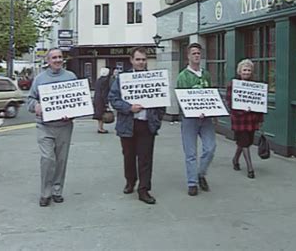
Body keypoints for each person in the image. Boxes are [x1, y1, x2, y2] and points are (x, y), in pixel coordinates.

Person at [108, 47, 166, 205]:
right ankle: (130, 181)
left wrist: (158, 120)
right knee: (129, 156)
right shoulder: (122, 78)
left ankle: (144, 189)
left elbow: (162, 101)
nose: (141, 62)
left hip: (147, 124)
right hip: (128, 124)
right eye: (138, 59)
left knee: (146, 158)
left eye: (143, 59)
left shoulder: (154, 78)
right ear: (131, 60)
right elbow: (113, 99)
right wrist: (129, 108)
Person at [27, 48, 77, 207]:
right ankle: (45, 193)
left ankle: (57, 191)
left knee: (61, 160)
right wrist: (36, 105)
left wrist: (72, 113)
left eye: (60, 57)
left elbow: (78, 101)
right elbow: (30, 100)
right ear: (48, 61)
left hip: (64, 126)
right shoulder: (39, 79)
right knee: (48, 159)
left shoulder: (71, 77)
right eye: (54, 57)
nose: (57, 60)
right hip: (44, 126)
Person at [176, 43, 216, 196]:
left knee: (210, 148)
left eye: (198, 53)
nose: (196, 56)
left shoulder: (205, 74)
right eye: (193, 53)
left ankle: (201, 173)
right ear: (188, 56)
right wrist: (193, 110)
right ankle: (192, 182)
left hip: (206, 119)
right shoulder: (183, 76)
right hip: (190, 119)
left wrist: (212, 111)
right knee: (190, 152)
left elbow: (210, 95)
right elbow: (182, 99)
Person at [226, 59, 264, 179]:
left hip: (252, 119)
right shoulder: (233, 85)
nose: (246, 72)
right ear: (239, 71)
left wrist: (260, 119)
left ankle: (235, 159)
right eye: (244, 70)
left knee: (246, 142)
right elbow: (229, 102)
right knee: (244, 142)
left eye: (248, 70)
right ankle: (250, 169)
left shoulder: (255, 85)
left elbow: (260, 103)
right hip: (239, 118)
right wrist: (242, 110)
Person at [93, 67, 112, 133]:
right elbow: (104, 92)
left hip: (97, 98)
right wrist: (106, 102)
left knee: (99, 114)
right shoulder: (106, 81)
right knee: (102, 114)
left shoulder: (99, 80)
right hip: (101, 99)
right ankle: (100, 128)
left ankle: (100, 127)